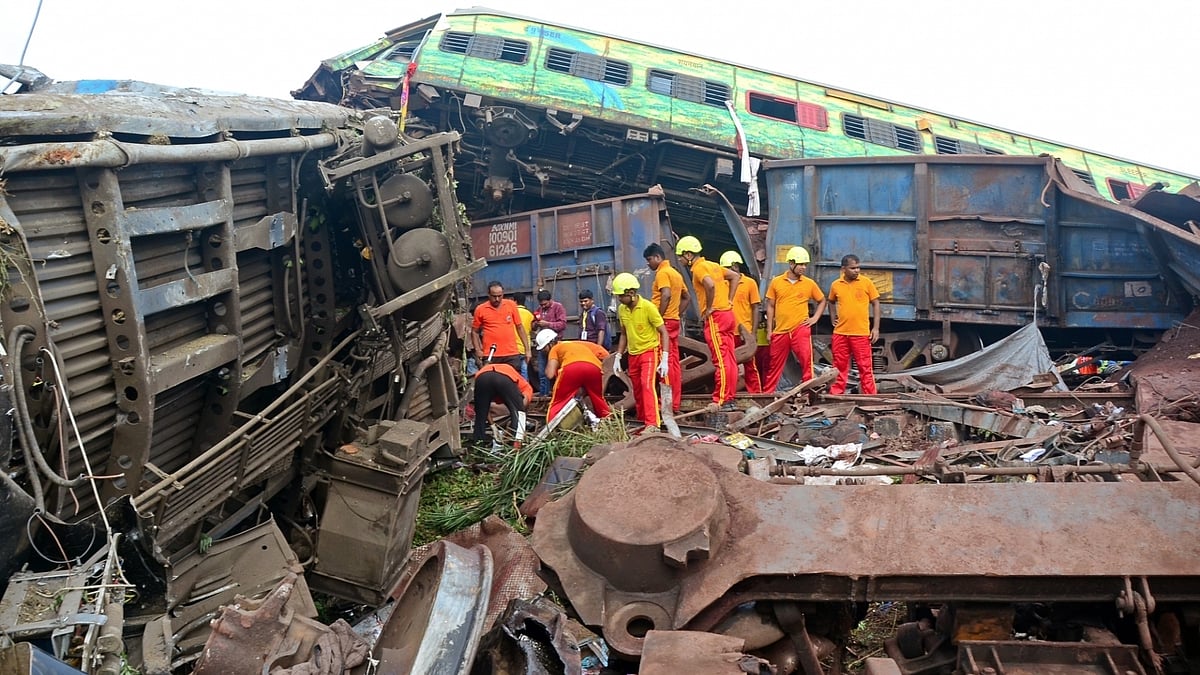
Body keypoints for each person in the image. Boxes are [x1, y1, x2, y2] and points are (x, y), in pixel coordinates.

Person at [675, 236, 740, 410]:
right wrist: (729, 299)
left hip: (716, 317)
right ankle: (730, 397)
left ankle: (721, 399)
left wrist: (709, 307)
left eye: (681, 256)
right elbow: (735, 276)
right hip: (727, 314)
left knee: (721, 360)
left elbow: (709, 285)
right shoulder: (713, 265)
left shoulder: (699, 268)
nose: (679, 259)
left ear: (689, 255)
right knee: (730, 359)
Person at [763, 245, 827, 392]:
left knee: (806, 361)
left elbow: (822, 300)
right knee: (775, 365)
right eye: (801, 264)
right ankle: (767, 394)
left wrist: (815, 318)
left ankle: (808, 392)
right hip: (781, 330)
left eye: (805, 264)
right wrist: (769, 330)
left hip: (800, 328)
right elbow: (770, 306)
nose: (803, 267)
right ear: (791, 263)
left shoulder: (809, 283)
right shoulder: (776, 282)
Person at [612, 272, 670, 432]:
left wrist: (665, 357)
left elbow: (663, 332)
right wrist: (618, 355)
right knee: (637, 389)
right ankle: (643, 421)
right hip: (633, 354)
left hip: (649, 352)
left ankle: (652, 424)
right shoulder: (622, 310)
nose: (619, 299)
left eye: (621, 296)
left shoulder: (648, 307)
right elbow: (624, 334)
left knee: (647, 385)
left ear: (631, 293)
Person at [643, 243, 688, 413]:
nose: (648, 263)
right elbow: (687, 297)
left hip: (665, 323)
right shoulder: (676, 273)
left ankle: (666, 405)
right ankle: (675, 403)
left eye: (649, 259)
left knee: (664, 363)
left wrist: (659, 318)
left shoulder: (662, 273)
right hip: (673, 321)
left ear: (657, 257)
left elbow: (666, 294)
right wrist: (676, 313)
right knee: (674, 363)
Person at [827, 254, 881, 395]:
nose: (857, 270)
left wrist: (875, 328)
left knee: (865, 367)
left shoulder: (866, 283)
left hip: (861, 333)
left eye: (858, 267)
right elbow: (830, 301)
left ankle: (870, 397)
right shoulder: (836, 285)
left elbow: (876, 303)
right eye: (853, 268)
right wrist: (833, 318)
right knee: (838, 367)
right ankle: (836, 395)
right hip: (840, 333)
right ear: (843, 269)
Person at [538, 328, 612, 422]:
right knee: (598, 399)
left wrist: (548, 365)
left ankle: (551, 423)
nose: (544, 352)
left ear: (550, 343)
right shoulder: (573, 344)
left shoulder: (555, 348)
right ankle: (609, 421)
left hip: (572, 367)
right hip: (594, 368)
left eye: (544, 349)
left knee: (558, 401)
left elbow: (550, 374)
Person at [720, 250, 763, 393]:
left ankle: (755, 393)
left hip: (745, 332)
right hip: (728, 332)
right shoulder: (721, 284)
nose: (728, 271)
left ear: (736, 266)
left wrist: (753, 333)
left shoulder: (749, 283)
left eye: (730, 268)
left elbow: (755, 308)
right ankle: (729, 393)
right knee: (728, 365)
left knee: (750, 365)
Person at [473, 281, 530, 372]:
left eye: (499, 296)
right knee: (492, 379)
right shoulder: (480, 309)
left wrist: (527, 350)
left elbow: (520, 327)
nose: (497, 299)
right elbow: (474, 331)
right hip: (491, 355)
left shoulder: (511, 305)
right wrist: (478, 350)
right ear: (488, 295)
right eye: (494, 296)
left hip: (511, 354)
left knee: (513, 378)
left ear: (503, 294)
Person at [471, 361, 533, 446]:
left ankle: (478, 445)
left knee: (480, 415)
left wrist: (493, 426)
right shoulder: (526, 387)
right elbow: (521, 407)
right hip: (503, 377)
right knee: (518, 413)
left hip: (482, 377)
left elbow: (484, 409)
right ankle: (517, 444)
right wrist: (515, 417)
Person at [532, 289, 567, 395]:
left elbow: (562, 324)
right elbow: (533, 326)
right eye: (541, 304)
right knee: (542, 372)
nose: (543, 306)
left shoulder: (558, 307)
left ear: (550, 300)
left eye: (545, 304)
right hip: (543, 345)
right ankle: (544, 395)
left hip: (554, 343)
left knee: (558, 371)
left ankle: (559, 394)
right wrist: (535, 324)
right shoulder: (539, 309)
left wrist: (547, 324)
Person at [513, 292, 535, 381]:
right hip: (525, 348)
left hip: (513, 347)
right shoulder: (530, 314)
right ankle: (525, 387)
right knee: (525, 371)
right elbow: (532, 329)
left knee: (514, 372)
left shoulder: (512, 313)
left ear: (515, 301)